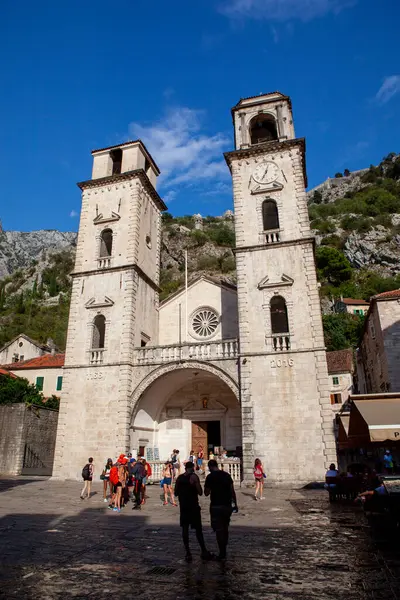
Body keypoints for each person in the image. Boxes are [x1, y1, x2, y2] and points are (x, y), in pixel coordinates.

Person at [174, 461, 212, 562]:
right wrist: (194, 485)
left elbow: (175, 492)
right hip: (193, 506)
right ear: (193, 468)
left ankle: (188, 552)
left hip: (184, 507)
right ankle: (203, 550)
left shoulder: (179, 478)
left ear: (185, 468)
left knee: (185, 530)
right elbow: (200, 492)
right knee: (198, 530)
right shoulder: (194, 477)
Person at [205, 459, 238, 561]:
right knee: (225, 527)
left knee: (219, 530)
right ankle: (224, 549)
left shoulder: (210, 477)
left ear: (210, 467)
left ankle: (222, 552)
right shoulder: (226, 475)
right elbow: (232, 491)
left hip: (216, 506)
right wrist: (235, 504)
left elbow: (206, 493)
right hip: (227, 505)